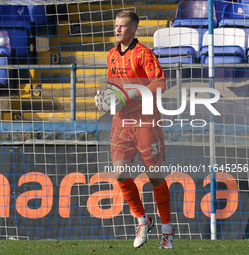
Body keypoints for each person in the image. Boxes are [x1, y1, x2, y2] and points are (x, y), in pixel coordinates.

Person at [95, 10, 174, 249]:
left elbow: (160, 83)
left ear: (133, 29)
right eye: (116, 26)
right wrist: (103, 97)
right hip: (121, 121)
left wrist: (134, 92)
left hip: (145, 119)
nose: (117, 29)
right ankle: (142, 220)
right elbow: (112, 87)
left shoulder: (144, 54)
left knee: (155, 177)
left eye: (122, 26)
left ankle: (167, 230)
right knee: (119, 174)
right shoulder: (111, 55)